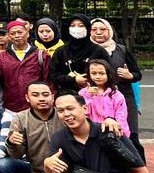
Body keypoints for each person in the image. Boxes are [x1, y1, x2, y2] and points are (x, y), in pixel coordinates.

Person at [90, 18, 144, 159]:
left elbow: (137, 74)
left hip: (124, 97)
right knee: (99, 135)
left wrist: (129, 75)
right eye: (94, 29)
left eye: (103, 29)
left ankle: (138, 166)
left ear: (110, 31)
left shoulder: (121, 49)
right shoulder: (86, 50)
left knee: (131, 135)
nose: (98, 32)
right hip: (96, 99)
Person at [0, 19, 51, 112]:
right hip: (11, 108)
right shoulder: (2, 57)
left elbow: (48, 81)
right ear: (9, 37)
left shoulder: (41, 55)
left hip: (36, 106)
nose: (17, 35)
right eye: (13, 33)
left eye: (20, 32)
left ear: (27, 34)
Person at [51, 15, 108, 95]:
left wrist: (90, 79)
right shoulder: (61, 51)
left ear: (88, 28)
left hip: (94, 94)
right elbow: (54, 75)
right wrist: (74, 79)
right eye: (72, 26)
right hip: (67, 95)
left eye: (81, 26)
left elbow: (110, 72)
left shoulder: (98, 50)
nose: (76, 29)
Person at [82, 59, 131, 137]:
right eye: (94, 73)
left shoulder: (116, 95)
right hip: (90, 134)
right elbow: (82, 113)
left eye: (101, 73)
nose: (98, 77)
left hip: (111, 132)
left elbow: (121, 115)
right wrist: (88, 96)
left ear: (108, 74)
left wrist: (120, 130)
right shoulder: (83, 93)